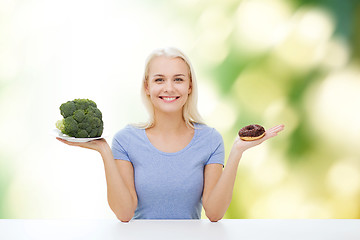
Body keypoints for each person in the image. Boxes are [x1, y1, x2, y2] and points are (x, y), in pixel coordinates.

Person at [57, 47, 284, 222]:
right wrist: (104, 151)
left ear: (189, 86)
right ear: (147, 87)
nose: (169, 88)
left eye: (178, 79)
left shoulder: (210, 140)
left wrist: (236, 152)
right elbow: (125, 213)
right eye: (159, 79)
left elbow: (214, 213)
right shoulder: (126, 140)